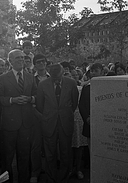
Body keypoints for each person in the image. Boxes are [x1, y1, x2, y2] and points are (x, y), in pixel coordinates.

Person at [36, 63, 79, 183]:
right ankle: (51, 178)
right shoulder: (42, 84)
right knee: (50, 153)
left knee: (66, 152)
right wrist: (49, 116)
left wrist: (65, 113)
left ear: (62, 73)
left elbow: (74, 103)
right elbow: (40, 105)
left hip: (65, 122)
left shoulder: (71, 83)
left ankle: (64, 178)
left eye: (58, 78)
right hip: (49, 123)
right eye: (54, 78)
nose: (56, 80)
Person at [0, 49, 37, 183]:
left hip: (26, 124)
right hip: (9, 124)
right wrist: (12, 100)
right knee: (7, 157)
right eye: (18, 58)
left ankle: (24, 180)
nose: (21, 60)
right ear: (10, 61)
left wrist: (30, 99)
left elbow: (37, 96)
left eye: (23, 58)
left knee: (24, 156)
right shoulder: (3, 79)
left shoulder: (30, 77)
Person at [30, 54, 50, 183]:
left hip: (51, 117)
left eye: (43, 61)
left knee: (50, 145)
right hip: (36, 116)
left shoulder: (53, 78)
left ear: (46, 63)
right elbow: (30, 98)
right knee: (36, 146)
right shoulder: (31, 79)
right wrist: (37, 114)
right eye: (38, 62)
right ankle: (35, 172)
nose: (41, 64)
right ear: (35, 65)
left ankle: (50, 172)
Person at [79, 63, 103, 150]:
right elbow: (81, 105)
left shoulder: (107, 86)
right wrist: (87, 118)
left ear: (102, 72)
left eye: (96, 71)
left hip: (103, 121)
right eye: (92, 71)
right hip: (90, 121)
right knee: (91, 147)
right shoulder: (86, 87)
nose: (93, 73)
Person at [70, 69, 88, 180]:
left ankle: (78, 168)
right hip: (69, 116)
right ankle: (69, 168)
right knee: (69, 145)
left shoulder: (83, 87)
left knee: (79, 146)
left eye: (77, 75)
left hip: (79, 117)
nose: (75, 76)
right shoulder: (67, 87)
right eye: (73, 75)